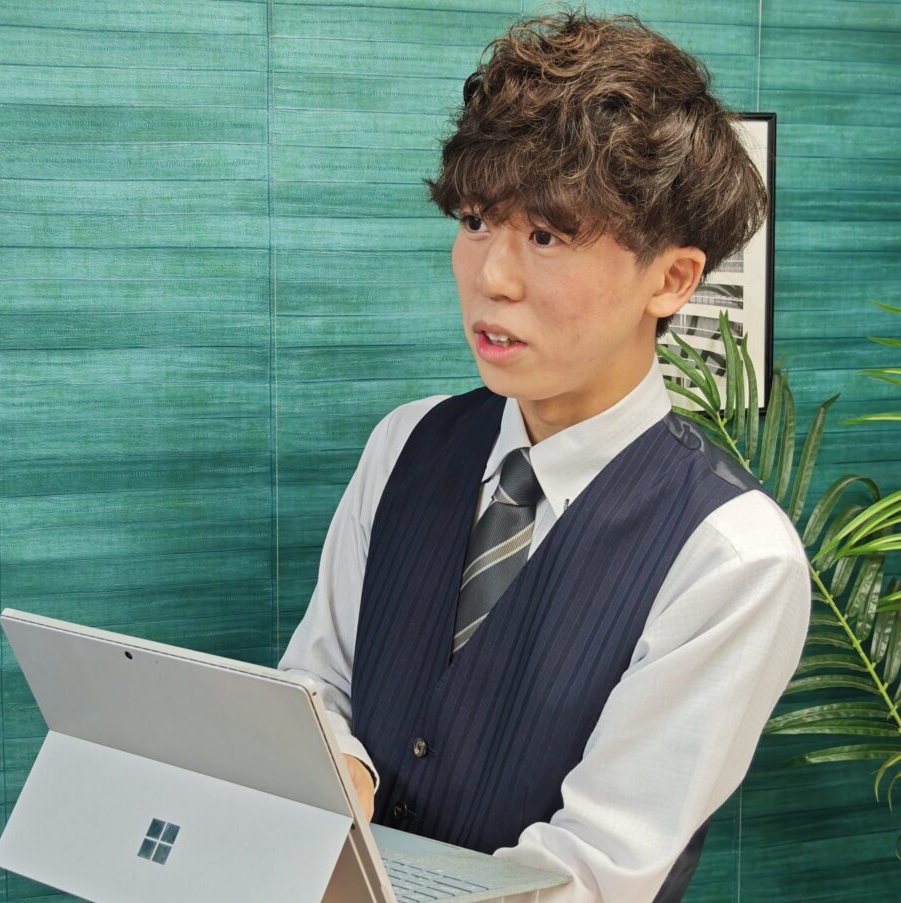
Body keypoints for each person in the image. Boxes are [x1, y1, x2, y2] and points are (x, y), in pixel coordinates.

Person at [278, 10, 810, 903]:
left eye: (548, 236)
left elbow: (590, 875)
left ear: (672, 279)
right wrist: (341, 765)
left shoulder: (733, 558)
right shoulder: (406, 442)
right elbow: (315, 681)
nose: (492, 276)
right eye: (477, 221)